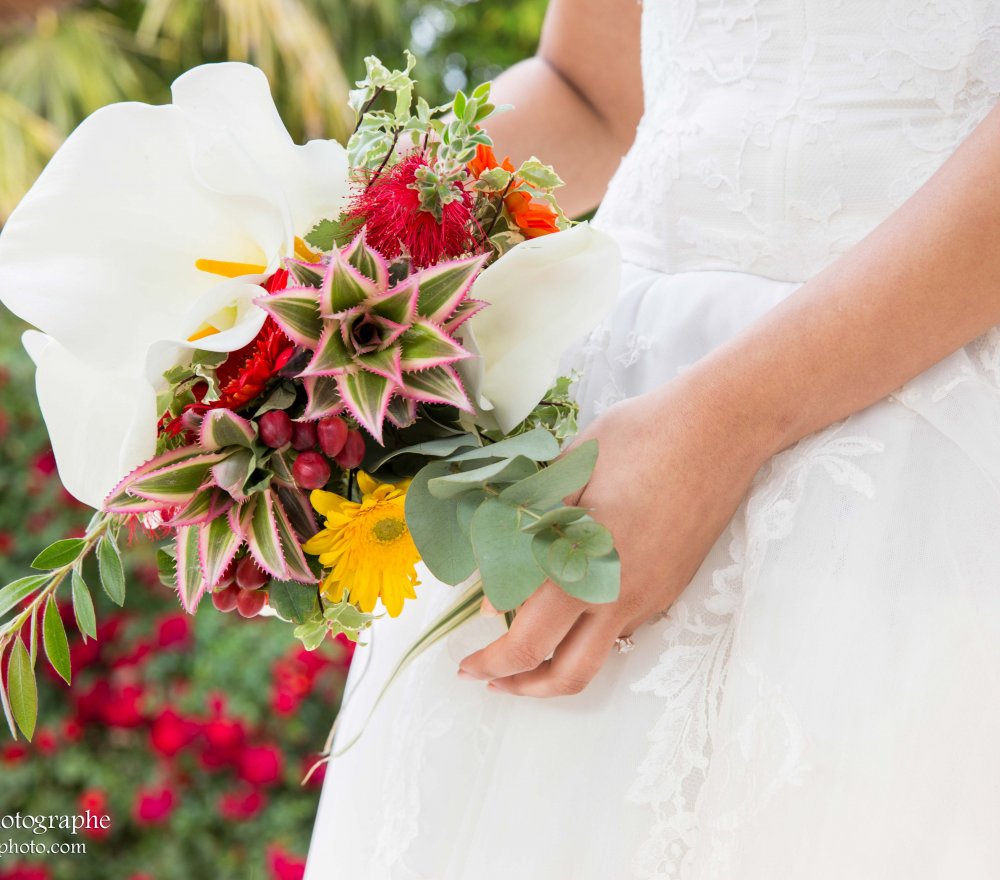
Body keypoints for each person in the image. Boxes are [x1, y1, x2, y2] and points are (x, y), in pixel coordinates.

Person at [306, 1, 1000, 877]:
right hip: (601, 409)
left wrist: (720, 427)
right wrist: (333, 248)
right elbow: (592, 93)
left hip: (918, 447)